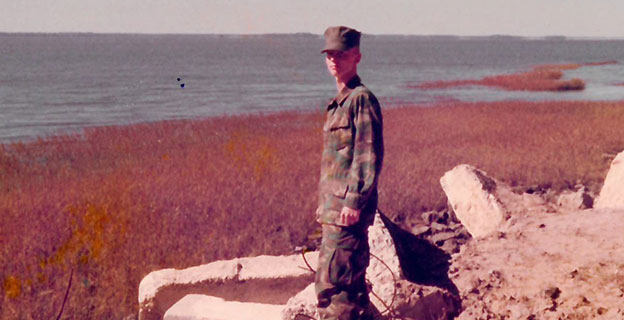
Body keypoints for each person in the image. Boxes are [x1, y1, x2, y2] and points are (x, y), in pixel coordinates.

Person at [314, 25, 384, 320]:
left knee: (335, 290)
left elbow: (368, 155)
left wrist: (353, 203)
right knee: (348, 289)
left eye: (340, 55)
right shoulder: (338, 104)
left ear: (356, 56)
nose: (334, 60)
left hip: (347, 215)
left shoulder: (360, 99)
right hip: (334, 212)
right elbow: (337, 163)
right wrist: (326, 206)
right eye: (330, 55)